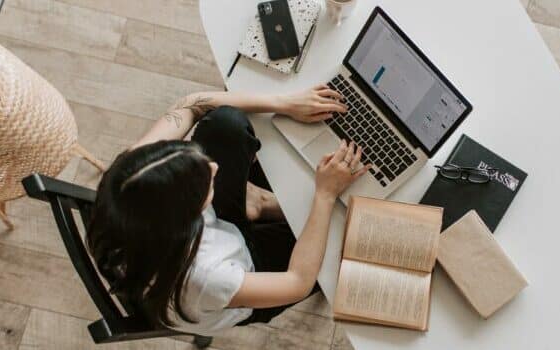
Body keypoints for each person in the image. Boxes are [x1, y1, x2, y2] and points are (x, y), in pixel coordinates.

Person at [86, 85, 371, 335]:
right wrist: (324, 194)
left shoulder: (130, 176)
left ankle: (256, 205)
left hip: (201, 239)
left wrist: (284, 102)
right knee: (343, 240)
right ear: (187, 215)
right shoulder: (207, 277)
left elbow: (191, 103)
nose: (213, 167)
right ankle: (258, 206)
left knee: (225, 123)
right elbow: (297, 281)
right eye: (204, 183)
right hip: (244, 273)